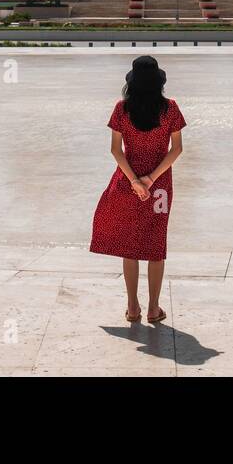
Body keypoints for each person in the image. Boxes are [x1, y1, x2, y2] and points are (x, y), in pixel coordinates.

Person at [89, 55, 185, 324]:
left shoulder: (122, 109)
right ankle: (154, 308)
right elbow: (176, 149)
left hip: (126, 184)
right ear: (159, 82)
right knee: (156, 245)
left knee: (128, 246)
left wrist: (134, 180)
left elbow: (115, 150)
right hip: (160, 187)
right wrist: (151, 179)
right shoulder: (171, 109)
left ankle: (133, 307)